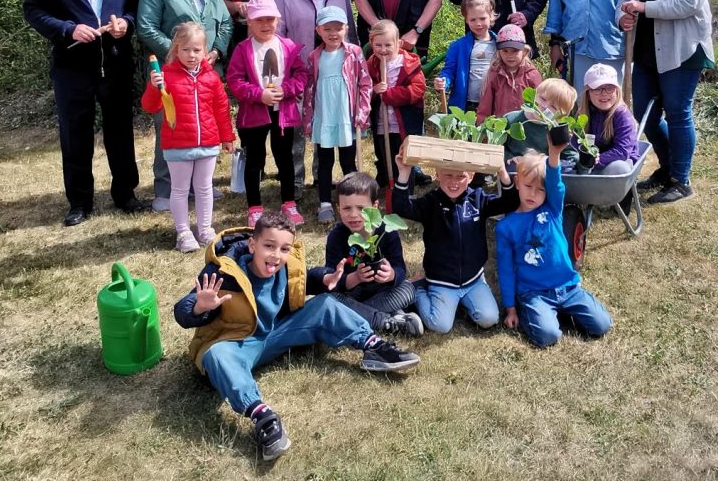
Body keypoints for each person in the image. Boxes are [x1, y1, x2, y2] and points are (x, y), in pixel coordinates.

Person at [173, 211, 421, 461]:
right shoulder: (224, 271)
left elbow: (305, 278)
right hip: (236, 345)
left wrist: (326, 279)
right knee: (216, 354)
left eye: (284, 248)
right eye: (269, 246)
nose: (276, 255)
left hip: (276, 334)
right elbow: (182, 311)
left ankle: (373, 346)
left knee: (325, 304)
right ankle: (263, 417)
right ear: (252, 245)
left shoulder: (287, 263)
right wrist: (200, 307)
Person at [23, 0, 144, 226]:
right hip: (71, 65)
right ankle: (79, 202)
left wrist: (125, 25)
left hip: (115, 62)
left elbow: (135, 7)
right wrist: (67, 29)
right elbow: (32, 9)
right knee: (75, 133)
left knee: (120, 130)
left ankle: (125, 195)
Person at [617, 0, 714, 204]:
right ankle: (667, 167)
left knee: (677, 112)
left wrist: (643, 7)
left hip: (683, 49)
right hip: (646, 49)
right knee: (643, 111)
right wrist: (623, 17)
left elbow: (689, 2)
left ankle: (680, 179)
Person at [136, 0, 233, 213]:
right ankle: (165, 189)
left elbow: (225, 22)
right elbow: (146, 27)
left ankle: (201, 185)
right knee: (171, 125)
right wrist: (180, 55)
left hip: (207, 70)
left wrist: (215, 51)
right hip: (173, 74)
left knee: (206, 123)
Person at [495, 141, 613, 347]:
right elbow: (505, 270)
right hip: (534, 293)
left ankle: (565, 309)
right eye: (528, 186)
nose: (533, 194)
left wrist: (554, 155)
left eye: (540, 190)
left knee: (602, 325)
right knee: (548, 336)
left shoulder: (552, 210)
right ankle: (536, 313)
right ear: (517, 182)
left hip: (567, 287)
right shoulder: (506, 227)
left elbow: (556, 184)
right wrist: (510, 308)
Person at [393, 154, 519, 333]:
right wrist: (404, 173)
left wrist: (502, 173)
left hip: (473, 280)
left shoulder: (478, 199)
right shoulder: (430, 203)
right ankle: (418, 291)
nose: (454, 182)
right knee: (441, 326)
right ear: (437, 173)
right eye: (448, 175)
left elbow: (511, 202)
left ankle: (463, 302)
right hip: (441, 281)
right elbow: (401, 207)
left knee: (489, 318)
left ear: (471, 176)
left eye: (460, 176)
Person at [275, 0, 358, 197]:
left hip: (333, 67)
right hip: (299, 68)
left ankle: (322, 176)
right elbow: (279, 33)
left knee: (328, 119)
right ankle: (296, 181)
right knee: (298, 126)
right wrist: (285, 68)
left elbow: (350, 30)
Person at [141, 23, 235, 252]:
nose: (191, 55)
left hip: (208, 143)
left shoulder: (211, 78)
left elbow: (221, 109)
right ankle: (183, 232)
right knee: (180, 189)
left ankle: (205, 229)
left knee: (204, 188)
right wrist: (155, 88)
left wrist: (227, 136)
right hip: (177, 145)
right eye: (185, 50)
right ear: (176, 50)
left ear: (204, 51)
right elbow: (150, 106)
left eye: (196, 50)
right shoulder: (165, 76)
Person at [306, 172, 423, 335]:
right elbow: (332, 280)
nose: (353, 214)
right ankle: (385, 320)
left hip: (382, 292)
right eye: (346, 208)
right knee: (330, 299)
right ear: (338, 208)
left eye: (361, 208)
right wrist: (354, 278)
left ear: (375, 206)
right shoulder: (336, 236)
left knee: (408, 290)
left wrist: (391, 275)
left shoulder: (387, 232)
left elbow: (400, 269)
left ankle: (356, 316)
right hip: (351, 295)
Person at [226, 0, 308, 227]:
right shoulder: (243, 50)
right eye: (259, 20)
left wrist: (287, 89)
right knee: (255, 159)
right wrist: (257, 94)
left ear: (278, 21)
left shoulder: (288, 46)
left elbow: (301, 74)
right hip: (254, 113)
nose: (265, 25)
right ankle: (254, 207)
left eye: (270, 19)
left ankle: (289, 202)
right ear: (249, 22)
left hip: (283, 112)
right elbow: (234, 79)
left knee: (285, 157)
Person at [303, 6, 372, 223]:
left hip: (346, 117)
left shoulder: (354, 52)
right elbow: (309, 89)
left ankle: (352, 200)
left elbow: (365, 83)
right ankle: (324, 202)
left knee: (347, 161)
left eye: (338, 28)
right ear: (318, 30)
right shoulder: (314, 56)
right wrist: (308, 118)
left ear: (346, 29)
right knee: (324, 161)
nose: (333, 33)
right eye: (327, 28)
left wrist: (363, 111)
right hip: (325, 116)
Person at [366, 20, 426, 191]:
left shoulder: (409, 64)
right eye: (378, 45)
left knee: (406, 156)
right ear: (371, 44)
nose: (383, 49)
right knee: (384, 153)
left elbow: (417, 90)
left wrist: (389, 94)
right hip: (382, 122)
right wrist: (374, 90)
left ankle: (408, 189)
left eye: (388, 45)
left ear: (398, 43)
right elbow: (363, 89)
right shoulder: (372, 64)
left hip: (405, 123)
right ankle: (387, 181)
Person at [434, 0, 499, 112]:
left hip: (494, 103)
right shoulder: (457, 46)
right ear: (466, 20)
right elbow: (449, 71)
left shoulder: (500, 44)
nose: (478, 23)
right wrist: (443, 81)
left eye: (483, 18)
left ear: (491, 16)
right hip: (467, 104)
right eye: (473, 19)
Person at [503, 77, 579, 171]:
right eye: (543, 99)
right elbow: (498, 148)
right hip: (512, 174)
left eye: (553, 107)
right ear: (534, 95)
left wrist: (545, 162)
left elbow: (571, 157)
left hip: (542, 177)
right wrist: (509, 158)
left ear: (559, 116)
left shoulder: (557, 130)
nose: (545, 106)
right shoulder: (511, 119)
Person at [577, 64, 639, 175]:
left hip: (619, 160)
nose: (604, 93)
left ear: (616, 91)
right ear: (588, 93)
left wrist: (597, 159)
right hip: (592, 161)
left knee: (619, 167)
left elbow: (622, 151)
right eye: (597, 89)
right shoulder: (583, 114)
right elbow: (577, 142)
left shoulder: (622, 114)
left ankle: (601, 188)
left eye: (609, 88)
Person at [476, 24, 543, 121]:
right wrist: (482, 130)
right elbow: (485, 108)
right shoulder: (494, 74)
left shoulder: (532, 75)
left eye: (515, 51)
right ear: (499, 52)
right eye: (505, 51)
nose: (510, 55)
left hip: (527, 127)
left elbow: (542, 105)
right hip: (501, 128)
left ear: (524, 51)